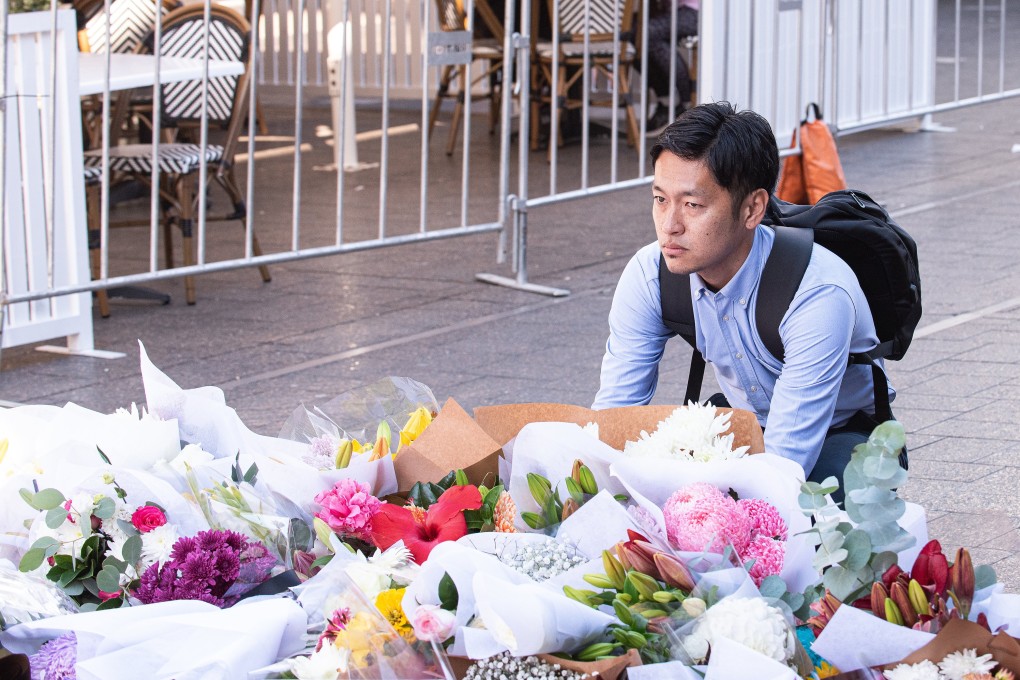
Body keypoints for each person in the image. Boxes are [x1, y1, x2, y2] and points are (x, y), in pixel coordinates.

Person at [593, 101, 904, 499]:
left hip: (839, 433)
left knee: (812, 525)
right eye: (660, 199)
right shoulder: (650, 273)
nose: (669, 225)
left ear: (753, 208)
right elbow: (614, 416)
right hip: (744, 422)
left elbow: (783, 463)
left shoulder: (817, 293)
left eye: (692, 205)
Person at [640, 0, 699, 135]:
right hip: (672, 11)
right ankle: (667, 101)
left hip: (694, 12)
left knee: (646, 31)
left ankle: (685, 102)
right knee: (635, 33)